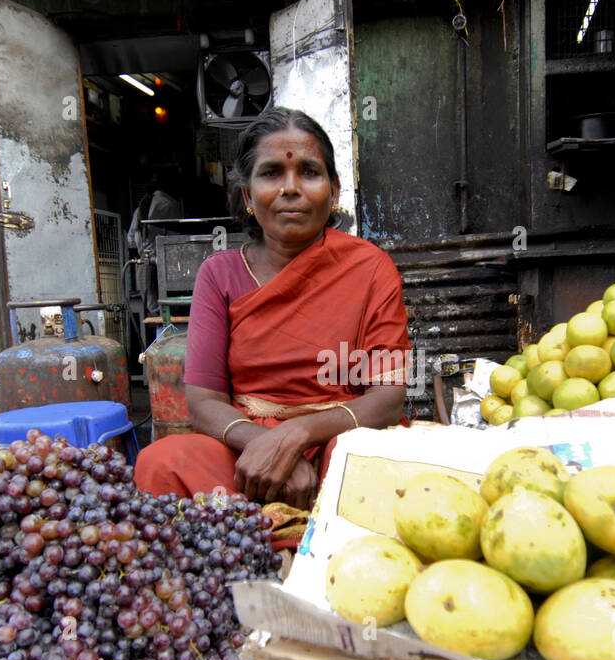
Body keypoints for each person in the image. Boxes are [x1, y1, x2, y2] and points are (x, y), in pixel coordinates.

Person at [134, 107, 410, 517]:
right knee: (161, 463)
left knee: (382, 465)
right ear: (247, 196)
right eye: (271, 173)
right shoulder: (219, 273)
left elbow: (388, 395)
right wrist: (265, 445)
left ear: (333, 191)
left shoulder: (371, 266)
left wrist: (297, 435)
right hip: (247, 448)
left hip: (343, 435)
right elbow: (204, 400)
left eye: (310, 173)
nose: (291, 188)